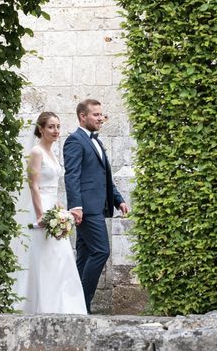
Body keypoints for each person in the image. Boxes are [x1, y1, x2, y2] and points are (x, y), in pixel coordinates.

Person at [11, 111, 87, 314]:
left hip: (54, 207)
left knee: (61, 257)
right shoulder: (36, 152)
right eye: (51, 127)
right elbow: (34, 186)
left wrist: (60, 206)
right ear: (41, 129)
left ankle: (64, 306)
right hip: (41, 209)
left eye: (58, 127)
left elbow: (51, 185)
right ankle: (42, 306)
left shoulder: (53, 152)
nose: (56, 131)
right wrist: (40, 215)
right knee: (45, 258)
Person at [63, 99, 129, 314]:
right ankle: (83, 303)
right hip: (86, 209)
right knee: (101, 251)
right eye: (96, 115)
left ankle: (74, 306)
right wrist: (76, 207)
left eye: (101, 114)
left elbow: (104, 176)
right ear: (83, 116)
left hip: (97, 207)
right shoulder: (75, 141)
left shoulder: (96, 142)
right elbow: (72, 176)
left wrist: (118, 199)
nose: (101, 118)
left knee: (83, 256)